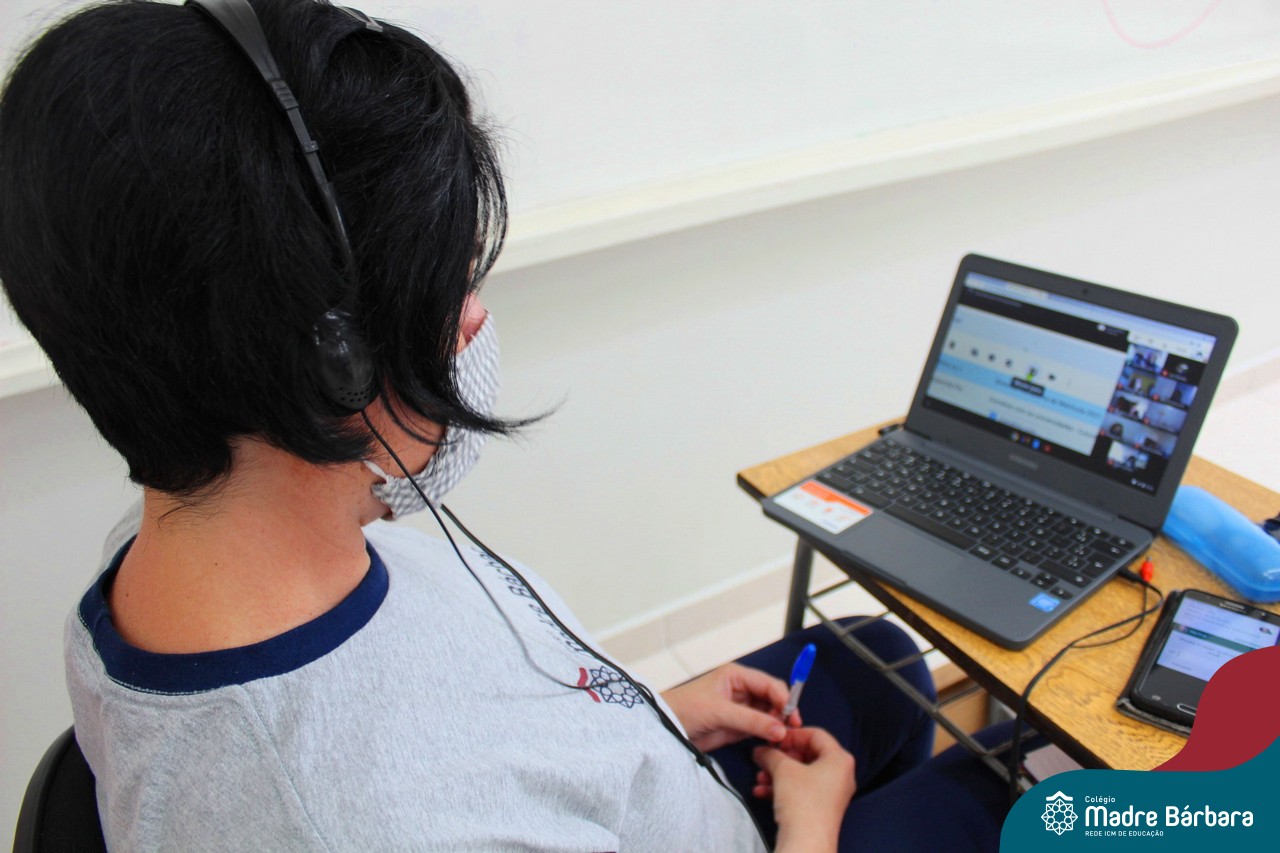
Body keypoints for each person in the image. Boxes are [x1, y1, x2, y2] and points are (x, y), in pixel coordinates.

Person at [0, 1, 1023, 849]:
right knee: (1011, 796)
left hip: (649, 776)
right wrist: (810, 823)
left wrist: (655, 712)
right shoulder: (374, 823)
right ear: (334, 357)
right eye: (453, 283)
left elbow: (483, 730)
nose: (475, 318)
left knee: (878, 660)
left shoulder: (179, 550)